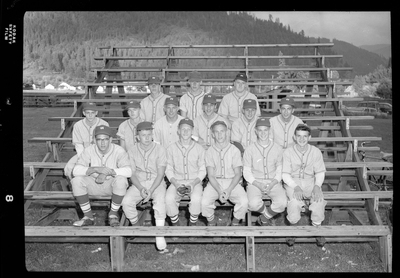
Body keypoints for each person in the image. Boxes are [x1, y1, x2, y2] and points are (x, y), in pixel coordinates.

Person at [70, 125, 132, 227]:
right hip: (93, 185)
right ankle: (88, 216)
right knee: (76, 180)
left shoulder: (119, 150)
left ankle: (113, 215)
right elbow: (76, 171)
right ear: (94, 140)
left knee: (121, 180)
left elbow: (129, 171)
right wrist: (95, 169)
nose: (102, 143)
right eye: (99, 139)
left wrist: (108, 172)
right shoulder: (89, 150)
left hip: (111, 186)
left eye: (105, 139)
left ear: (111, 139)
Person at [121, 121, 168, 251]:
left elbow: (160, 174)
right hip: (139, 183)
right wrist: (141, 189)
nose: (147, 138)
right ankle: (137, 227)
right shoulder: (132, 150)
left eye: (149, 135)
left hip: (156, 183)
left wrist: (151, 190)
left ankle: (159, 234)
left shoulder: (160, 149)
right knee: (126, 202)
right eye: (143, 135)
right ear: (137, 137)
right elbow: (132, 174)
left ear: (152, 135)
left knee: (160, 201)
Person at [282, 124, 327, 247]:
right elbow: (285, 174)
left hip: (310, 181)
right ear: (294, 137)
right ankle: (293, 229)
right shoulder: (288, 152)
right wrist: (295, 186)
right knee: (294, 202)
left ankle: (317, 228)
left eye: (305, 136)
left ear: (309, 137)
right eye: (299, 136)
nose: (302, 139)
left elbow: (320, 172)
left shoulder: (315, 151)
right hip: (293, 181)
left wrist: (317, 186)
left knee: (318, 200)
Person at [201, 121, 248, 226]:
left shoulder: (234, 150)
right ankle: (211, 221)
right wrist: (219, 191)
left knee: (244, 202)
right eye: (216, 132)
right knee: (204, 203)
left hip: (232, 182)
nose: (219, 134)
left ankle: (235, 222)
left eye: (222, 131)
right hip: (215, 183)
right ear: (212, 134)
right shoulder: (209, 151)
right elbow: (211, 175)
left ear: (227, 132)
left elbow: (238, 174)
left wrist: (228, 190)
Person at [243, 118, 287, 226]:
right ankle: (267, 215)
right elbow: (246, 172)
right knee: (252, 204)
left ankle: (264, 218)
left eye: (265, 130)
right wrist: (257, 183)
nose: (263, 133)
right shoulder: (249, 149)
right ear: (256, 131)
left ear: (270, 130)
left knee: (282, 203)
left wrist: (273, 183)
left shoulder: (277, 148)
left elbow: (280, 170)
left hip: (274, 181)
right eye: (260, 130)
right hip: (255, 181)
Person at [165, 118, 206, 226]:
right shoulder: (171, 148)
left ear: (192, 131)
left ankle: (192, 225)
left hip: (194, 181)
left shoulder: (199, 148)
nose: (186, 132)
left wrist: (193, 184)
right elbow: (168, 169)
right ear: (178, 131)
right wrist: (176, 183)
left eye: (188, 129)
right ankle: (176, 224)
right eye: (183, 129)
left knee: (196, 199)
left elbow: (202, 170)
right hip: (177, 181)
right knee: (169, 198)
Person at [64, 102, 109, 179]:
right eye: (88, 113)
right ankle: (76, 187)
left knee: (103, 170)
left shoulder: (104, 124)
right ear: (84, 113)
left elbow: (106, 144)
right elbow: (78, 145)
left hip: (101, 154)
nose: (90, 115)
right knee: (69, 168)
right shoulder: (78, 125)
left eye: (93, 112)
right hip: (82, 153)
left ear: (96, 113)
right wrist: (83, 159)